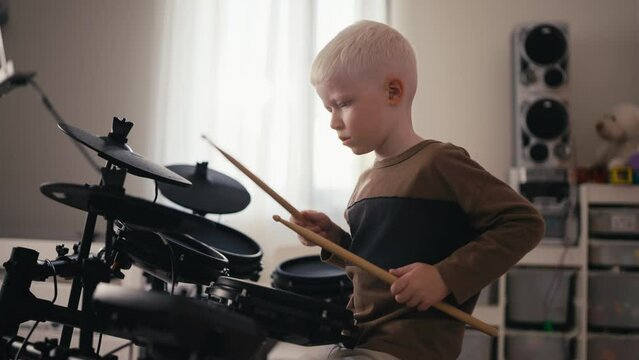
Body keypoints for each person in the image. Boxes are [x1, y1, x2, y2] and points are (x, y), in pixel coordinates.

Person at [291, 20, 545, 360]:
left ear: (393, 92)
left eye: (343, 104)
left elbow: (524, 222)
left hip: (410, 348)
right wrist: (333, 240)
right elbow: (374, 266)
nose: (334, 122)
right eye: (329, 109)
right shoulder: (366, 182)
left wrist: (444, 276)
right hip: (361, 338)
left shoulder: (438, 162)